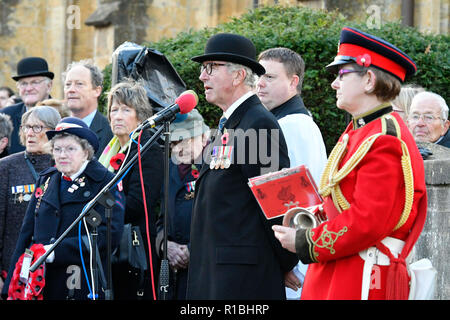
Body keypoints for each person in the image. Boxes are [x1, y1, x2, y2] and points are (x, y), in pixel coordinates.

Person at [272, 27, 428, 300]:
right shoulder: (363, 130)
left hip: (363, 274)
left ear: (369, 80)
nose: (334, 84)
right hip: (345, 268)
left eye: (342, 75)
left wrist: (304, 242)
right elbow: (343, 200)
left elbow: (368, 221)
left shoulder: (384, 138)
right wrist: (314, 215)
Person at [186, 33, 298, 300]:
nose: (203, 76)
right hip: (217, 274)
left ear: (238, 76)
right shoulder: (231, 122)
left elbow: (276, 206)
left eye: (211, 67)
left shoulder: (258, 123)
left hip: (241, 281)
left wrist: (284, 262)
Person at [2, 117, 125, 300]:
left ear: (86, 152)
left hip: (81, 282)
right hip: (41, 283)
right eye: (57, 149)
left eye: (70, 149)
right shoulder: (47, 179)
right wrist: (12, 286)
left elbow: (109, 235)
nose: (62, 155)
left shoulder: (105, 182)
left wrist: (54, 252)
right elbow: (27, 233)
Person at [257, 47, 327, 299]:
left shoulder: (289, 127)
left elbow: (289, 204)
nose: (259, 84)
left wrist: (285, 264)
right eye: (258, 77)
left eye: (269, 77)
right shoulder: (300, 122)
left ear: (293, 82)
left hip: (295, 268)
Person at [98, 80, 164, 299]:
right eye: (113, 110)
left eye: (126, 110)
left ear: (141, 116)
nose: (117, 115)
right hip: (110, 242)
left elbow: (138, 203)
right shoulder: (109, 149)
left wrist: (98, 214)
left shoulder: (147, 149)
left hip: (135, 247)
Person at [0, 106, 60, 294]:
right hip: (12, 271)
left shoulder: (63, 166)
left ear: (53, 131)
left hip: (54, 269)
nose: (29, 134)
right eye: (26, 127)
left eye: (37, 128)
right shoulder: (6, 167)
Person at [155, 109, 210, 300]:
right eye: (175, 142)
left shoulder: (217, 167)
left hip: (206, 273)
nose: (179, 148)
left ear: (204, 137)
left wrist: (191, 249)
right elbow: (162, 219)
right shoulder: (170, 167)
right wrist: (164, 245)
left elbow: (226, 222)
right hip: (174, 277)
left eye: (186, 140)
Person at [0, 57, 54, 154]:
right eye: (23, 83)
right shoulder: (5, 116)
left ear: (49, 86)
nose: (28, 88)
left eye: (35, 82)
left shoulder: (63, 115)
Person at [63, 60, 113, 159]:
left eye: (79, 84)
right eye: (68, 84)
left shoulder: (111, 131)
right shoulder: (56, 128)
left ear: (97, 91)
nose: (71, 90)